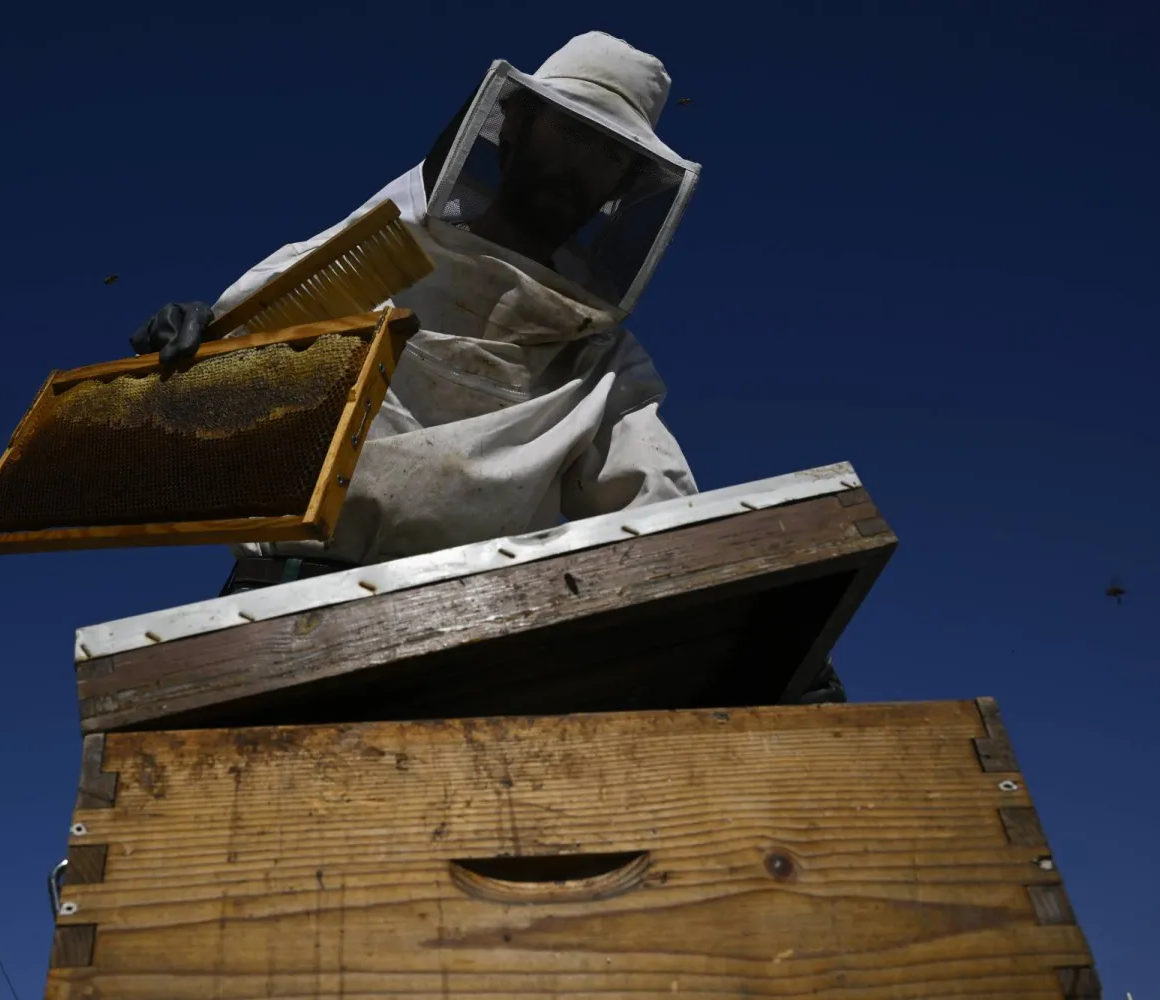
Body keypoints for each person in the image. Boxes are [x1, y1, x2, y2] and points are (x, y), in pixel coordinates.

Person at [129, 32, 846, 702]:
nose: (578, 164)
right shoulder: (372, 262)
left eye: (606, 155)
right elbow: (228, 383)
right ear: (515, 127)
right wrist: (205, 350)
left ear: (621, 185)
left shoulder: (599, 358)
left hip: (480, 641)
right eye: (568, 130)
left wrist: (756, 627)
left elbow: (654, 511)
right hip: (280, 617)